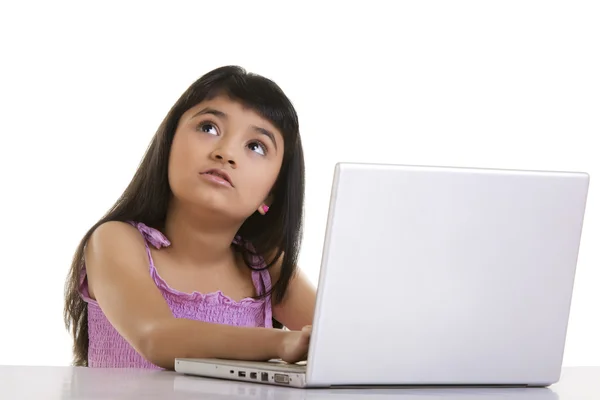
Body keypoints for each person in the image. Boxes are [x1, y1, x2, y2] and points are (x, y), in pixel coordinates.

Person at [63, 66, 316, 370]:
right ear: (169, 143)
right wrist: (282, 343)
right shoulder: (115, 240)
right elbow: (156, 337)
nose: (226, 153)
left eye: (256, 146)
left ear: (270, 196)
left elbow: (346, 341)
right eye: (209, 128)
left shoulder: (265, 266)